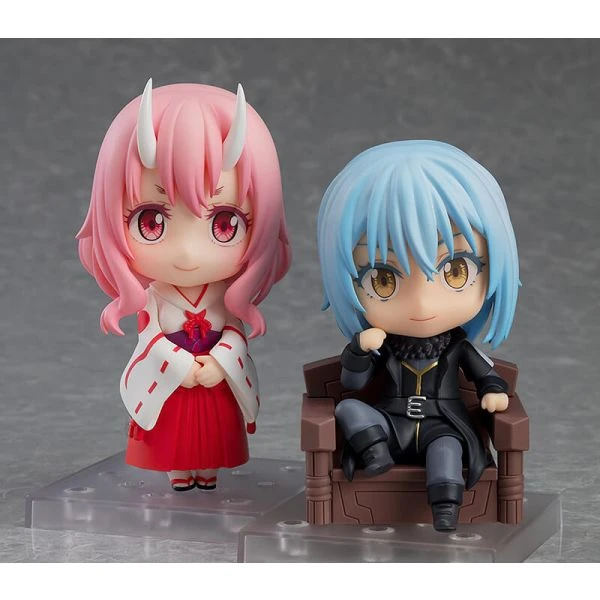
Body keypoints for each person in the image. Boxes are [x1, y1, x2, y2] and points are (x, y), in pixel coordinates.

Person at [78, 80, 291, 491]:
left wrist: (219, 362)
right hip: (171, 375)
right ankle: (178, 470)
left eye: (225, 223)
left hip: (213, 371)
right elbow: (151, 337)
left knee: (213, 430)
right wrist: (181, 365)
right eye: (151, 221)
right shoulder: (154, 297)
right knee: (174, 429)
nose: (188, 252)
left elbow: (233, 331)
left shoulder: (224, 297)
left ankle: (208, 469)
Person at [317, 140, 519, 530]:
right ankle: (376, 455)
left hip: (442, 423)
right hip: (390, 424)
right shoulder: (385, 345)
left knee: (446, 451)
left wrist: (493, 391)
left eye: (455, 270)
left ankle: (445, 507)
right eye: (382, 278)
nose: (422, 303)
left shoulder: (456, 347)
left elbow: (487, 374)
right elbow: (352, 384)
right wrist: (359, 349)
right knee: (348, 409)